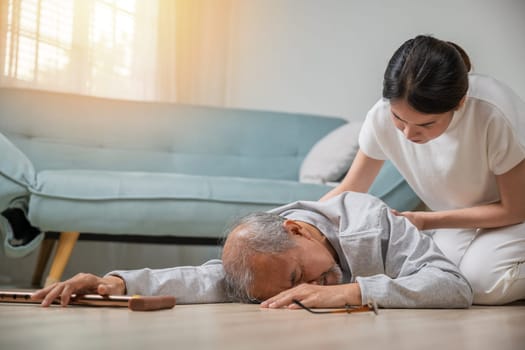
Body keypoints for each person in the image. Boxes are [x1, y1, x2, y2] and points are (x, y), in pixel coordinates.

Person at [321, 35, 525, 305]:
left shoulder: (491, 112)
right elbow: (350, 188)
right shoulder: (380, 116)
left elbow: (515, 208)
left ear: (460, 103)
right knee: (443, 278)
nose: (408, 133)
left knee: (481, 284)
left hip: (515, 214)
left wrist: (426, 221)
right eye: (399, 118)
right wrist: (298, 219)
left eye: (426, 125)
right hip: (464, 217)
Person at [32, 192, 473, 309]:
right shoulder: (265, 256)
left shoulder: (372, 224)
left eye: (298, 277)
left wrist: (350, 292)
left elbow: (454, 286)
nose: (308, 288)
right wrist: (113, 283)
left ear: (300, 231)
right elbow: (206, 278)